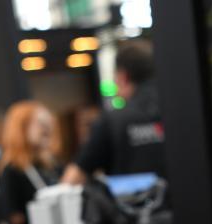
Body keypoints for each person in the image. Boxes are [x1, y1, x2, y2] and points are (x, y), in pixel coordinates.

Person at [61, 39, 166, 184]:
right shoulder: (182, 112)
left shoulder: (112, 121)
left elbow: (72, 179)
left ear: (123, 77)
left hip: (131, 198)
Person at [0, 101, 60, 224]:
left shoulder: (51, 166)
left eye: (49, 124)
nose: (48, 129)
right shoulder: (12, 170)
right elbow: (14, 217)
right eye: (41, 124)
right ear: (22, 128)